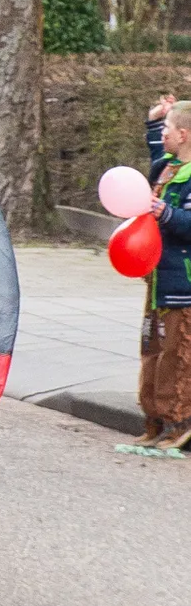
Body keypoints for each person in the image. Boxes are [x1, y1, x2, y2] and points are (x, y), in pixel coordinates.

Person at [141, 93, 191, 447]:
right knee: (152, 350)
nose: (164, 134)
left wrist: (165, 214)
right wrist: (154, 120)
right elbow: (156, 158)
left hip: (182, 282)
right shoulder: (168, 168)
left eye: (168, 129)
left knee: (178, 353)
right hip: (157, 277)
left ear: (185, 134)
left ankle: (179, 422)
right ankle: (154, 419)